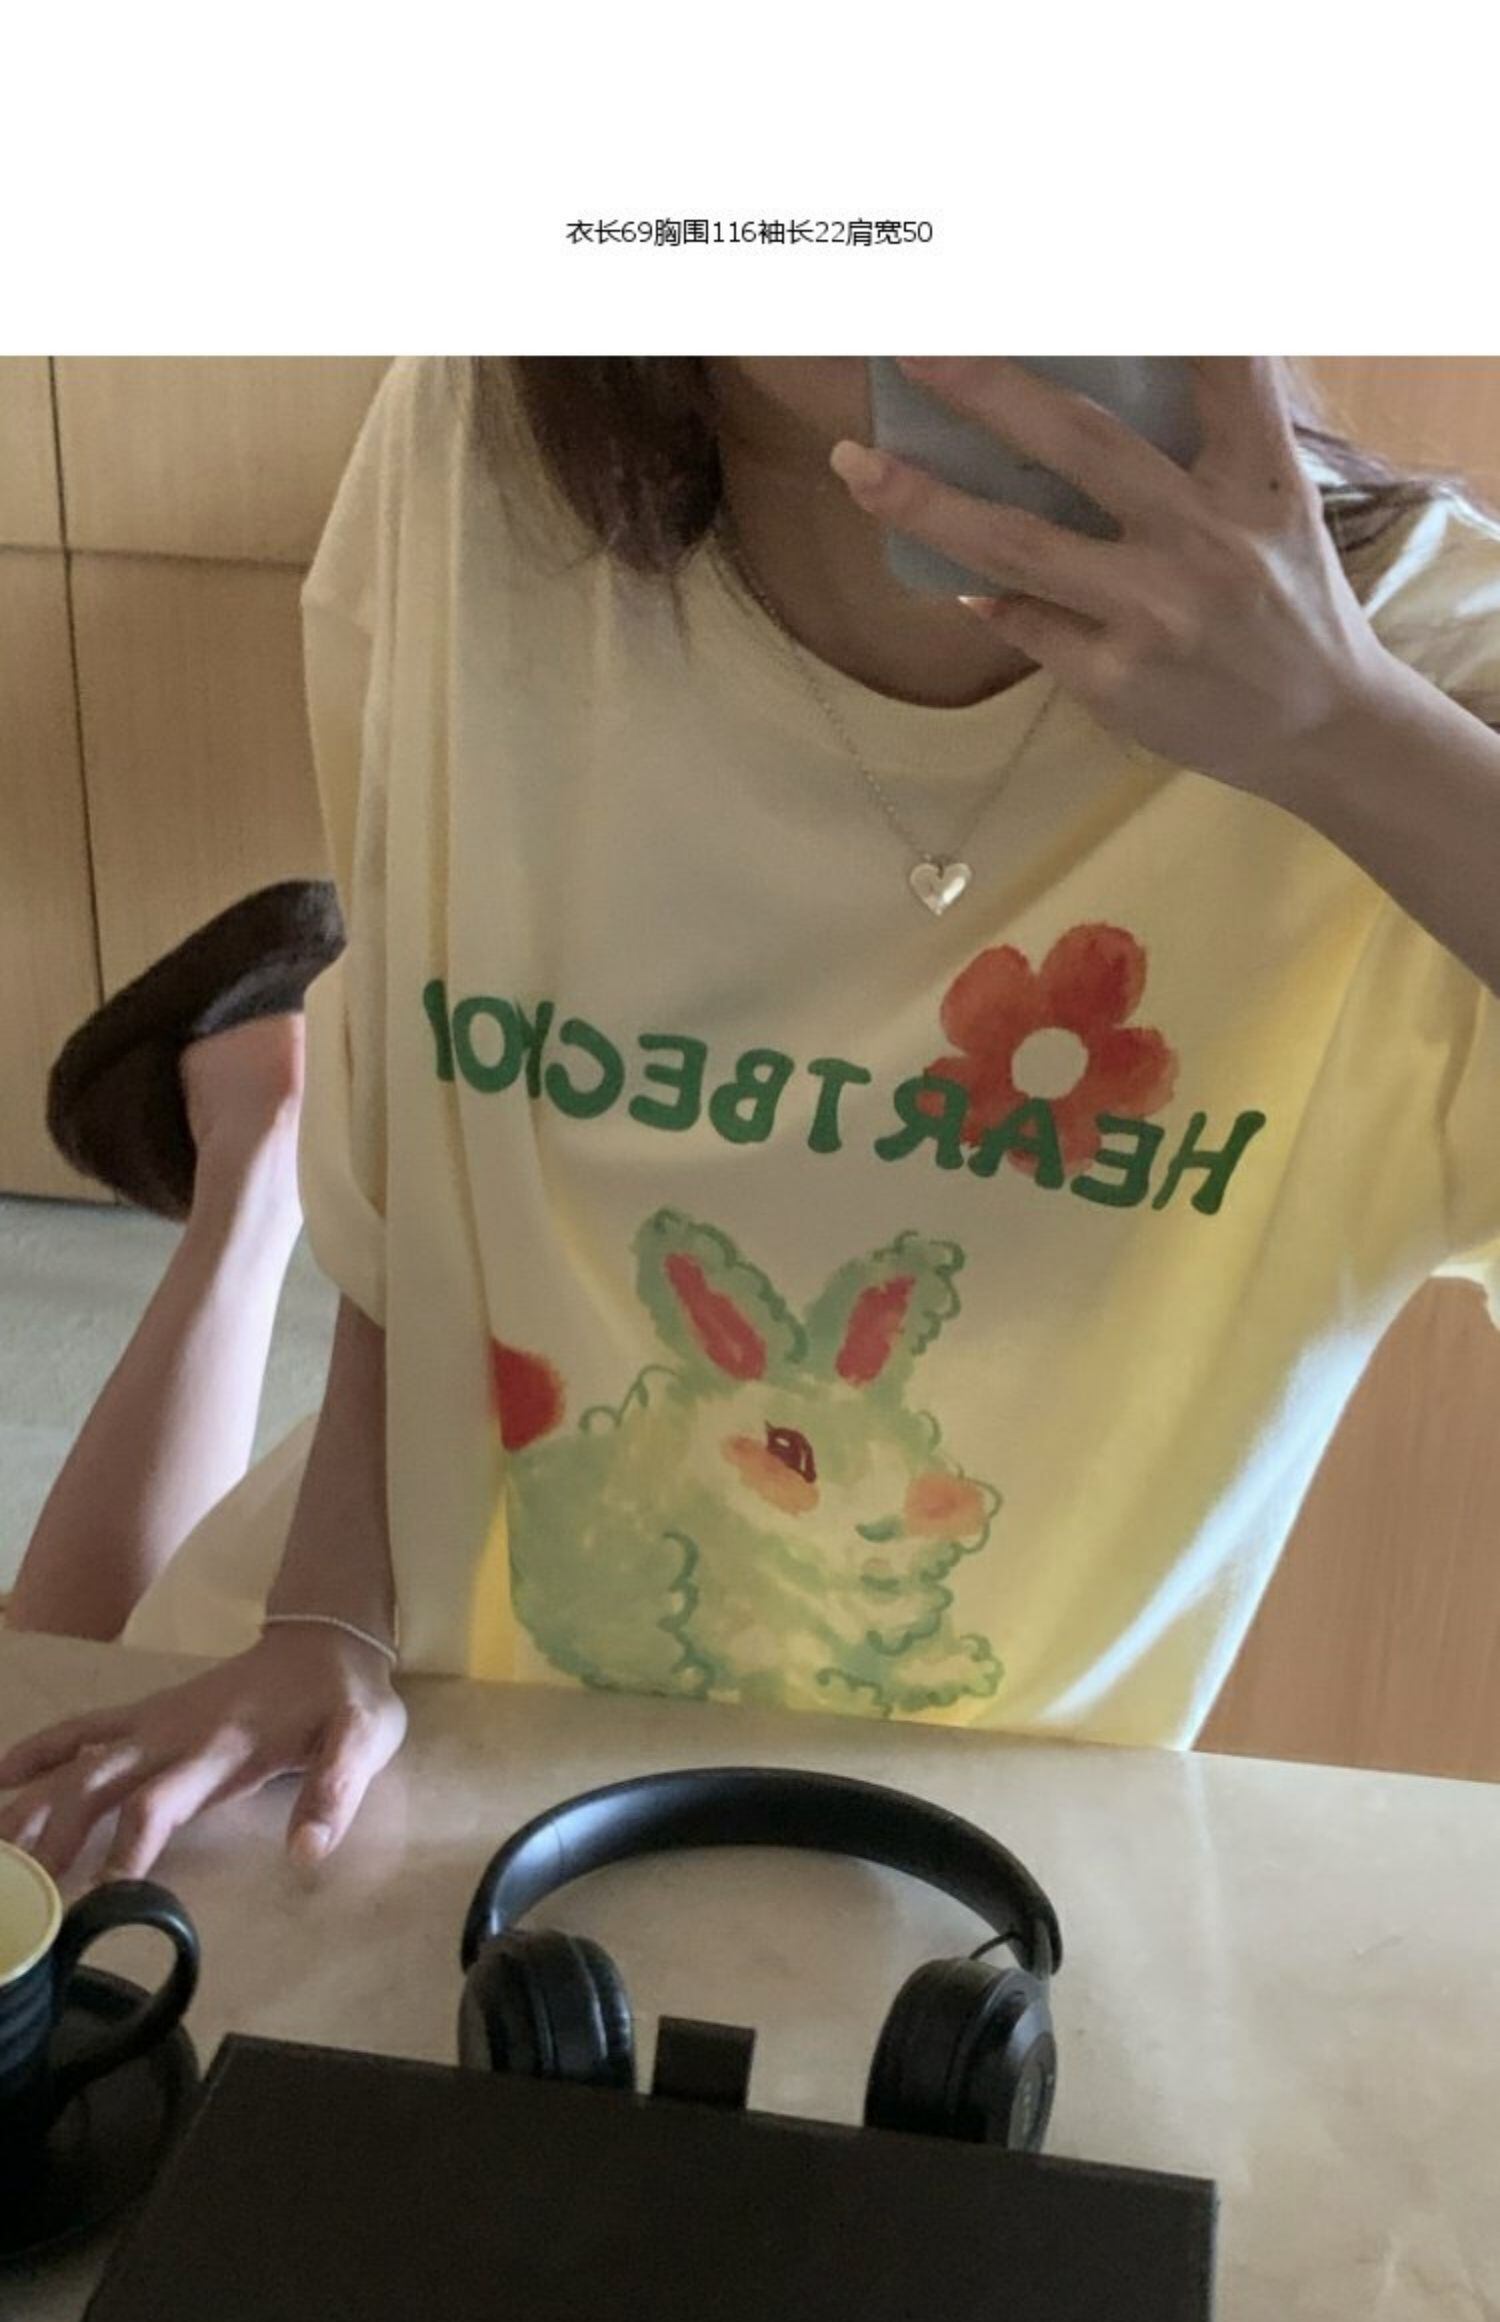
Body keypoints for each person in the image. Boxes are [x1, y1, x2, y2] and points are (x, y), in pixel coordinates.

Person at [5, 356, 1500, 1884]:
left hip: (936, 1862)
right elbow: (429, 1136)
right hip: (428, 1698)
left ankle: (255, 1133)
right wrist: (327, 1614)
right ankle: (262, 1156)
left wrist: (1342, 730)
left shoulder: (1426, 671)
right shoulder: (493, 447)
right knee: (44, 1768)